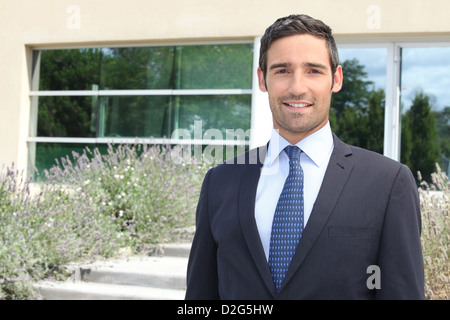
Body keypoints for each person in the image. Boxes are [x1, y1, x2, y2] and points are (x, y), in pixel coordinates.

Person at [185, 14, 424, 300]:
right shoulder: (220, 181)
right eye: (282, 71)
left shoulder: (388, 183)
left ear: (336, 79)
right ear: (263, 79)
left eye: (313, 71)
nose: (297, 87)